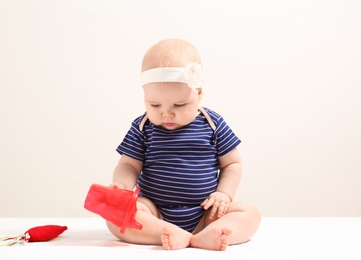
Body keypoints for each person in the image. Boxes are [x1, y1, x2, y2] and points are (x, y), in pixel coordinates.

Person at [106, 38, 261, 251]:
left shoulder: (212, 124)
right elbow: (129, 165)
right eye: (154, 104)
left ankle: (208, 235)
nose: (166, 112)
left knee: (249, 213)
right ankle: (162, 232)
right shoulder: (143, 127)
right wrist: (121, 187)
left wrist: (224, 194)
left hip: (206, 213)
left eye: (179, 104)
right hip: (154, 210)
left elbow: (232, 164)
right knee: (116, 218)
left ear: (198, 94)